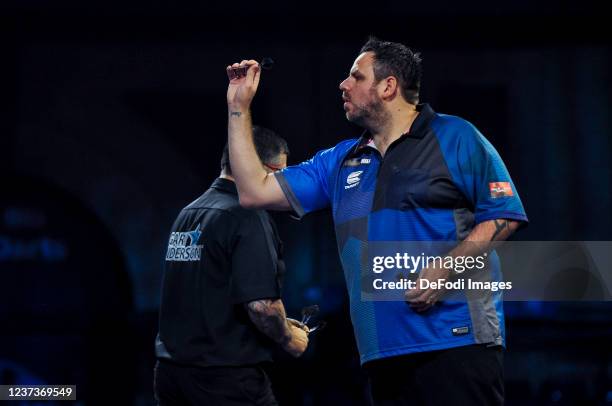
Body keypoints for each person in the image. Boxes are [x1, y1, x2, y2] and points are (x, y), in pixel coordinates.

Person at [225, 37, 528, 405]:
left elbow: (504, 215)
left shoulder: (456, 136)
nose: (343, 84)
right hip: (382, 354)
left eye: (356, 76)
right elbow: (253, 191)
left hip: (456, 342)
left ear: (388, 87)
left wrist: (446, 270)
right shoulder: (340, 161)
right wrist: (238, 107)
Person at [154, 126, 309, 406]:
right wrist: (289, 339)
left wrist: (280, 322)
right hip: (224, 381)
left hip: (171, 375)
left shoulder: (188, 213)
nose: (282, 184)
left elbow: (211, 296)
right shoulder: (247, 215)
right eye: (279, 173)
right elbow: (262, 306)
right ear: (258, 167)